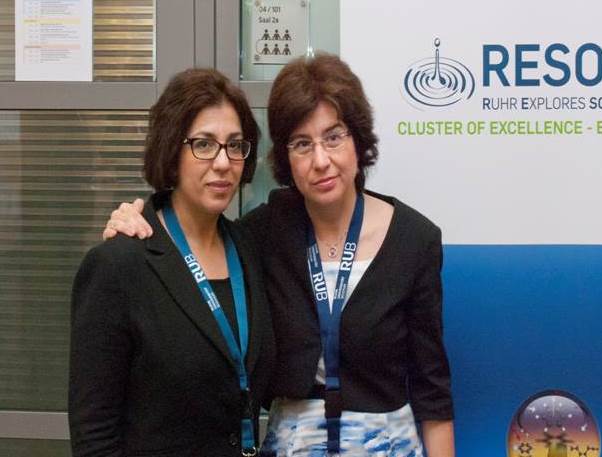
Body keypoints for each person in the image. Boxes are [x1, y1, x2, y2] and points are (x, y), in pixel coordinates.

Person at [104, 53, 455, 456]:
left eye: (334, 137)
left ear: (358, 139)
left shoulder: (414, 239)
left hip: (387, 446)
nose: (320, 160)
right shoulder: (261, 234)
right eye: (302, 144)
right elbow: (185, 239)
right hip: (290, 445)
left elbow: (433, 391)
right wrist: (132, 217)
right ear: (285, 157)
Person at [69, 68, 275, 457]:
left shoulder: (249, 248)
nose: (222, 162)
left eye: (235, 145)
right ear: (171, 149)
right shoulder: (119, 265)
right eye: (203, 144)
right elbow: (94, 436)